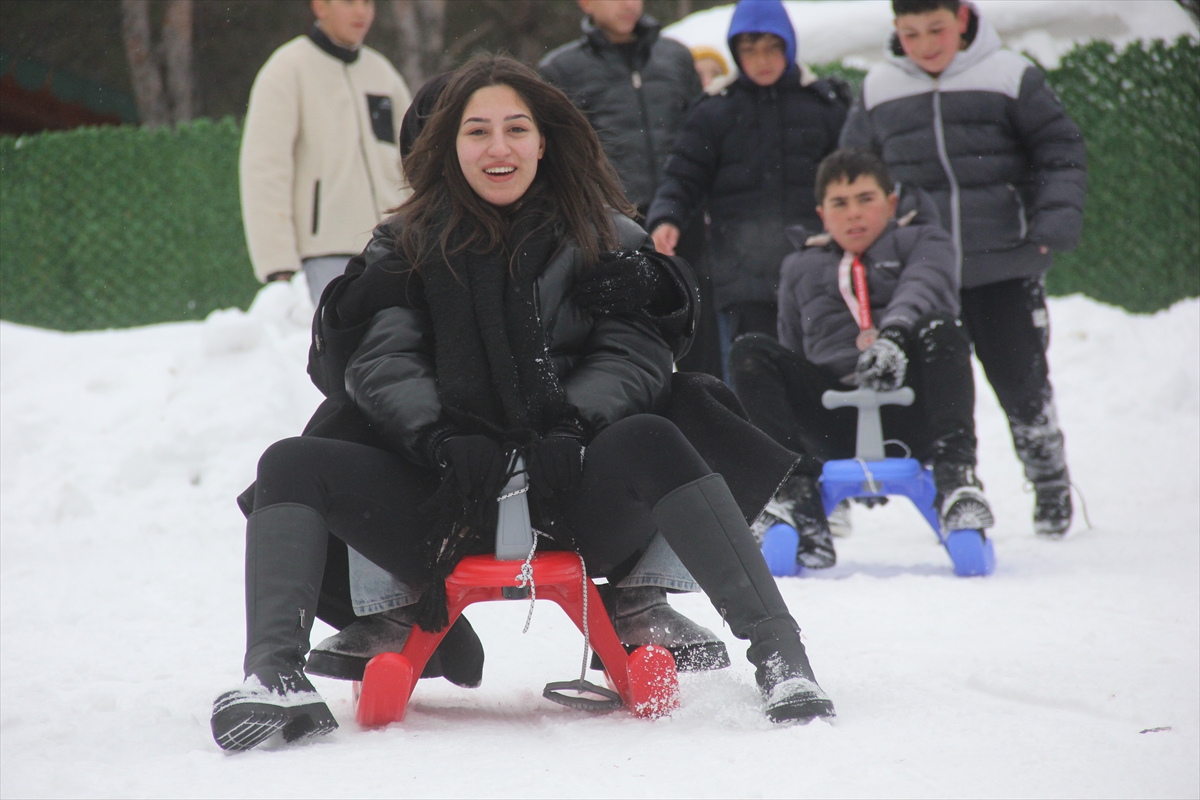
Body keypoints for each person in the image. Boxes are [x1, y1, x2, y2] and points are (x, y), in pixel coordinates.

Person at [210, 55, 835, 751]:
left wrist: (573, 422)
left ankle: (780, 658)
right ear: (448, 145)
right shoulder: (403, 244)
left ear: (544, 140)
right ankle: (274, 677)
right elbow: (381, 358)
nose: (498, 147)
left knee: (658, 433)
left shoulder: (605, 236)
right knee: (291, 461)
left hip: (571, 490)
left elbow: (635, 353)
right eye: (477, 131)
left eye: (516, 128)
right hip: (444, 497)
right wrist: (438, 437)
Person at [839, 0, 1087, 536]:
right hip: (922, 275)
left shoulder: (1009, 74)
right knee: (939, 392)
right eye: (910, 33)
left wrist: (1048, 228)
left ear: (963, 18)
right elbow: (856, 170)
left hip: (1002, 262)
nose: (926, 44)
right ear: (895, 31)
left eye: (936, 29)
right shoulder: (878, 88)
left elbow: (1060, 150)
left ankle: (1049, 482)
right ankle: (954, 487)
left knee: (1023, 383)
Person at [729, 148, 992, 568]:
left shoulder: (925, 240)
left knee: (943, 328)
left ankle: (957, 480)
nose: (853, 214)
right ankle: (794, 495)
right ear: (821, 213)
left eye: (866, 199)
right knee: (750, 352)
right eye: (840, 203)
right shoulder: (799, 266)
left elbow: (926, 288)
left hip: (912, 411)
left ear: (890, 202)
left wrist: (893, 336)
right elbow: (791, 344)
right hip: (835, 419)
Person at [646, 0, 849, 380]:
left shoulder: (823, 105)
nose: (762, 59)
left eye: (772, 47)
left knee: (819, 379)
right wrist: (667, 218)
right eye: (750, 50)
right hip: (743, 277)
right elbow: (682, 176)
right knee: (755, 381)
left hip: (818, 271)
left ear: (789, 46)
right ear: (736, 53)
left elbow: (852, 173)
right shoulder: (713, 113)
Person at [538, 0, 723, 379]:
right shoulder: (561, 69)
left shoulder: (675, 56)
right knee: (626, 332)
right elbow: (561, 155)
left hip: (682, 214)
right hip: (613, 224)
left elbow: (699, 138)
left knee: (697, 324)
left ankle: (707, 418)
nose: (628, 4)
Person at [239, 0, 412, 305]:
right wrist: (278, 264)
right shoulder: (287, 69)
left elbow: (413, 163)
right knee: (340, 349)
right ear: (320, 6)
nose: (361, 12)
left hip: (395, 250)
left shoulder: (383, 73)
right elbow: (264, 170)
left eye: (368, 2)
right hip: (323, 258)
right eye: (349, 2)